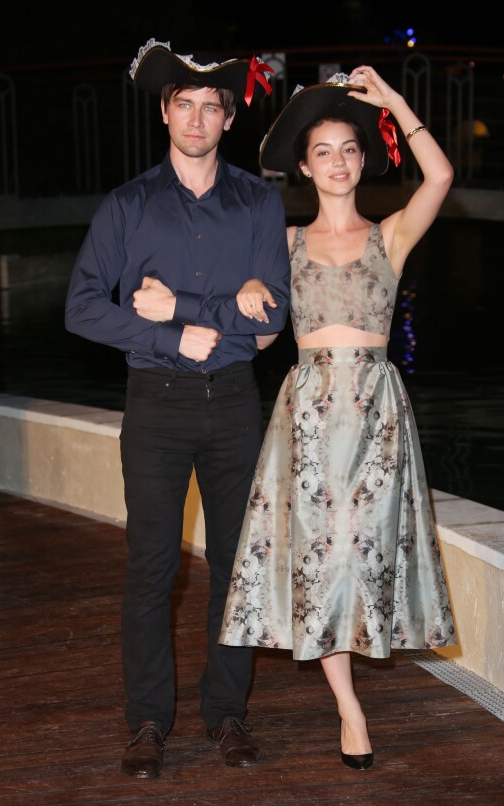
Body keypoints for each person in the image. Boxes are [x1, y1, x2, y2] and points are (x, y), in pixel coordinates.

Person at [219, 66, 458, 770]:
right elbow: (259, 330)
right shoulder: (285, 243)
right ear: (303, 165)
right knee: (320, 562)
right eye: (322, 151)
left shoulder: (391, 236)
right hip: (310, 416)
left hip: (377, 415)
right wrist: (251, 290)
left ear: (362, 159)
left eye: (349, 150)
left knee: (366, 554)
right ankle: (350, 711)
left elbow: (439, 177)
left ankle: (355, 685)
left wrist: (393, 102)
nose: (337, 162)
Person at [64, 38, 291, 778]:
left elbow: (271, 322)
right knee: (152, 568)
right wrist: (166, 333)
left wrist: (185, 309)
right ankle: (147, 723)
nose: (196, 118)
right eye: (184, 104)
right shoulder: (127, 206)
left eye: (211, 107)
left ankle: (227, 714)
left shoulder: (259, 203)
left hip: (232, 403)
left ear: (228, 120)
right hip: (155, 403)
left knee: (235, 567)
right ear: (166, 112)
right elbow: (81, 309)